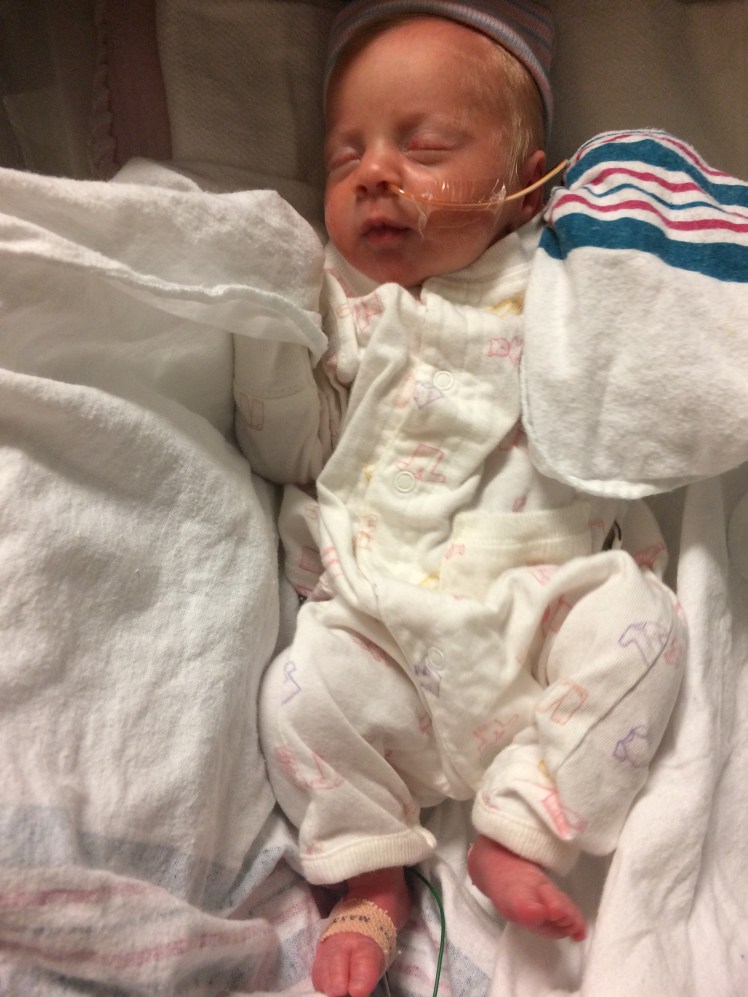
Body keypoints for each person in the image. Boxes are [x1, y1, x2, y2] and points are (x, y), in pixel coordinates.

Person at [234, 2, 687, 995]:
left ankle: (522, 825)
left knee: (644, 629)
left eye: (425, 146)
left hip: (544, 600)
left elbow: (650, 353)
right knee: (298, 693)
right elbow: (295, 450)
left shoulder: (558, 278)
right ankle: (370, 876)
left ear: (527, 184)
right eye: (345, 154)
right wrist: (266, 327)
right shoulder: (344, 304)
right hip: (384, 619)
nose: (374, 173)